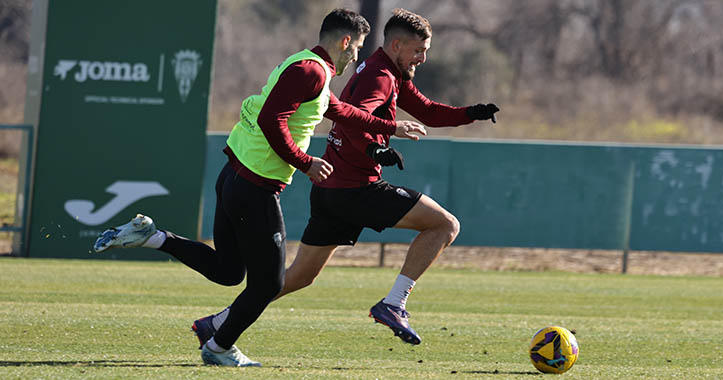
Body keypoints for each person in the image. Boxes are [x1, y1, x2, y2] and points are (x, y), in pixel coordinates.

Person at [92, 8, 426, 367]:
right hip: (254, 188)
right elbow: (271, 119)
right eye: (357, 47)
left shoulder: (307, 65)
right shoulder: (310, 70)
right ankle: (219, 347)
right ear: (345, 42)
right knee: (268, 284)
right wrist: (305, 162)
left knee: (228, 271)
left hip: (235, 178)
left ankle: (152, 237)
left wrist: (392, 128)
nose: (357, 56)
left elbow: (341, 110)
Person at [192, 8, 500, 347]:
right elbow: (356, 119)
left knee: (297, 277)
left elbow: (426, 111)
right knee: (445, 225)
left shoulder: (389, 71)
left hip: (331, 191)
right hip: (356, 188)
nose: (423, 58)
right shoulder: (379, 76)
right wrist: (374, 151)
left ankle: (218, 323)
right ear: (396, 45)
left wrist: (471, 114)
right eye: (418, 50)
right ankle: (394, 303)